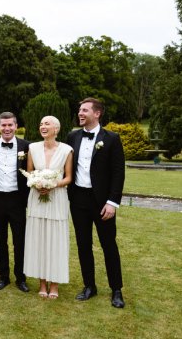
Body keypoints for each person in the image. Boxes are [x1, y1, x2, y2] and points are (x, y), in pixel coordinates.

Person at [67, 97, 126, 308]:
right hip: (78, 199)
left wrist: (112, 202)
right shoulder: (72, 136)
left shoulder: (111, 138)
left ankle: (116, 290)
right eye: (79, 110)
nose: (80, 113)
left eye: (84, 110)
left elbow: (118, 173)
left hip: (102, 201)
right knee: (83, 245)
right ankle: (89, 286)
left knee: (108, 244)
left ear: (97, 113)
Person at [23, 116, 73, 299]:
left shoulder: (67, 150)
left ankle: (55, 284)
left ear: (56, 129)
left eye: (47, 124)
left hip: (57, 199)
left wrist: (53, 185)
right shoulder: (32, 148)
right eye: (41, 123)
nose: (43, 126)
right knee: (39, 240)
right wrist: (36, 183)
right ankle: (42, 282)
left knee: (56, 240)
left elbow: (68, 177)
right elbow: (29, 172)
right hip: (36, 198)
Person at [0, 112, 30, 293]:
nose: (7, 128)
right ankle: (3, 277)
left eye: (10, 125)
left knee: (20, 241)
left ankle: (21, 278)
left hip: (17, 199)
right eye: (3, 125)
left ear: (16, 126)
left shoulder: (26, 147)